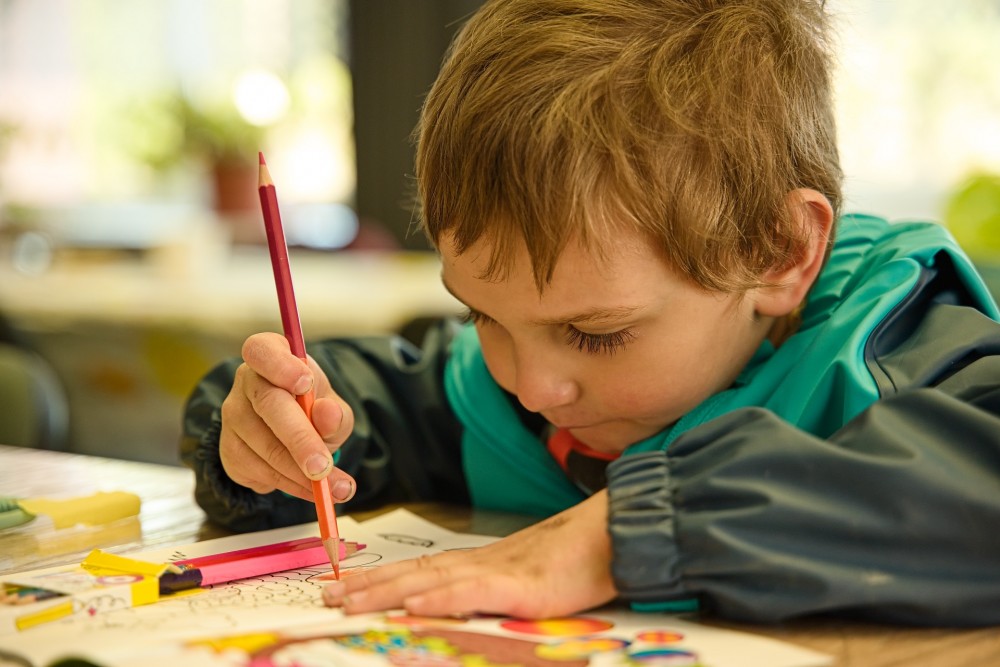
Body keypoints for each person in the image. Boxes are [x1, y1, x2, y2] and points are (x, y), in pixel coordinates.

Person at [181, 0, 1000, 626]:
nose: (533, 386)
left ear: (778, 253)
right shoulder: (494, 390)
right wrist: (271, 434)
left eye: (594, 333)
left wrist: (635, 531)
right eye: (484, 315)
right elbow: (372, 401)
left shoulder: (900, 356)